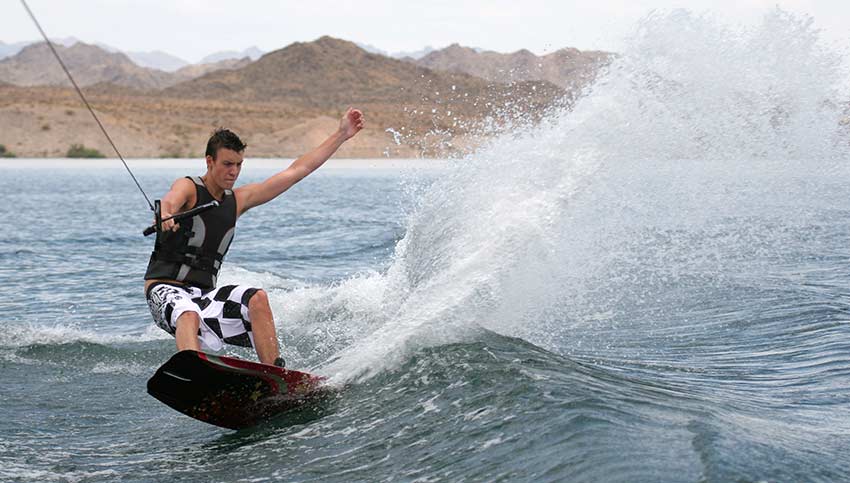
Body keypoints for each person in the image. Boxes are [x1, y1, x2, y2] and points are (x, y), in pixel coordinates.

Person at [144, 108, 365, 367]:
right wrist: (166, 214)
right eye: (227, 164)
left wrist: (340, 135)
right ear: (209, 161)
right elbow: (171, 199)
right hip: (165, 290)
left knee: (257, 299)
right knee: (187, 313)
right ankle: (195, 371)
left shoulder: (237, 201)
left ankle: (275, 375)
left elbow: (296, 171)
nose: (234, 172)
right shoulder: (190, 187)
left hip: (204, 297)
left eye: (238, 165)